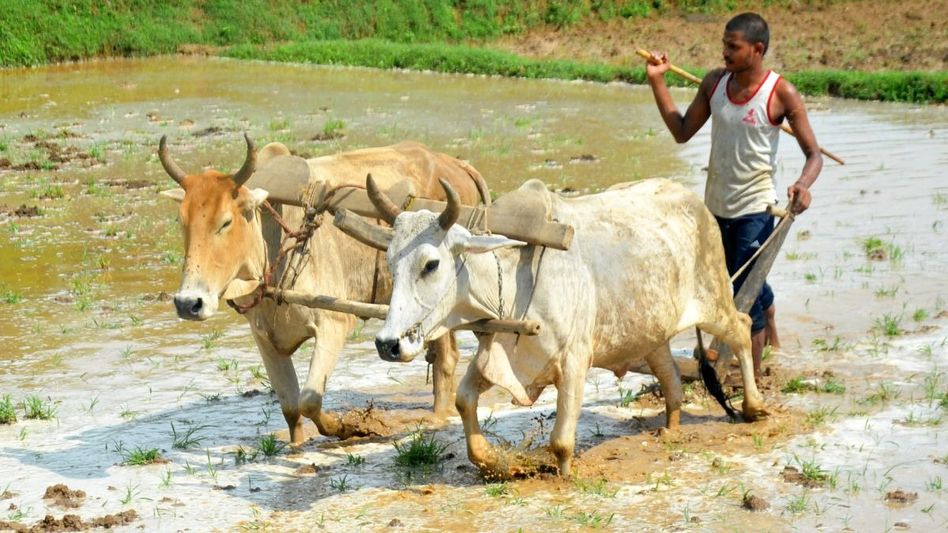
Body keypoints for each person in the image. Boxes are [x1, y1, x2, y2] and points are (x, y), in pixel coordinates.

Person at [644, 12, 823, 381]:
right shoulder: (714, 83)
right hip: (716, 206)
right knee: (730, 279)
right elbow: (681, 131)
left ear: (757, 50)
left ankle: (751, 382)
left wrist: (803, 185)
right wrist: (657, 82)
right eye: (724, 44)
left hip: (755, 208)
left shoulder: (780, 93)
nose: (724, 52)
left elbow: (814, 155)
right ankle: (768, 310)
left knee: (743, 300)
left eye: (733, 46)